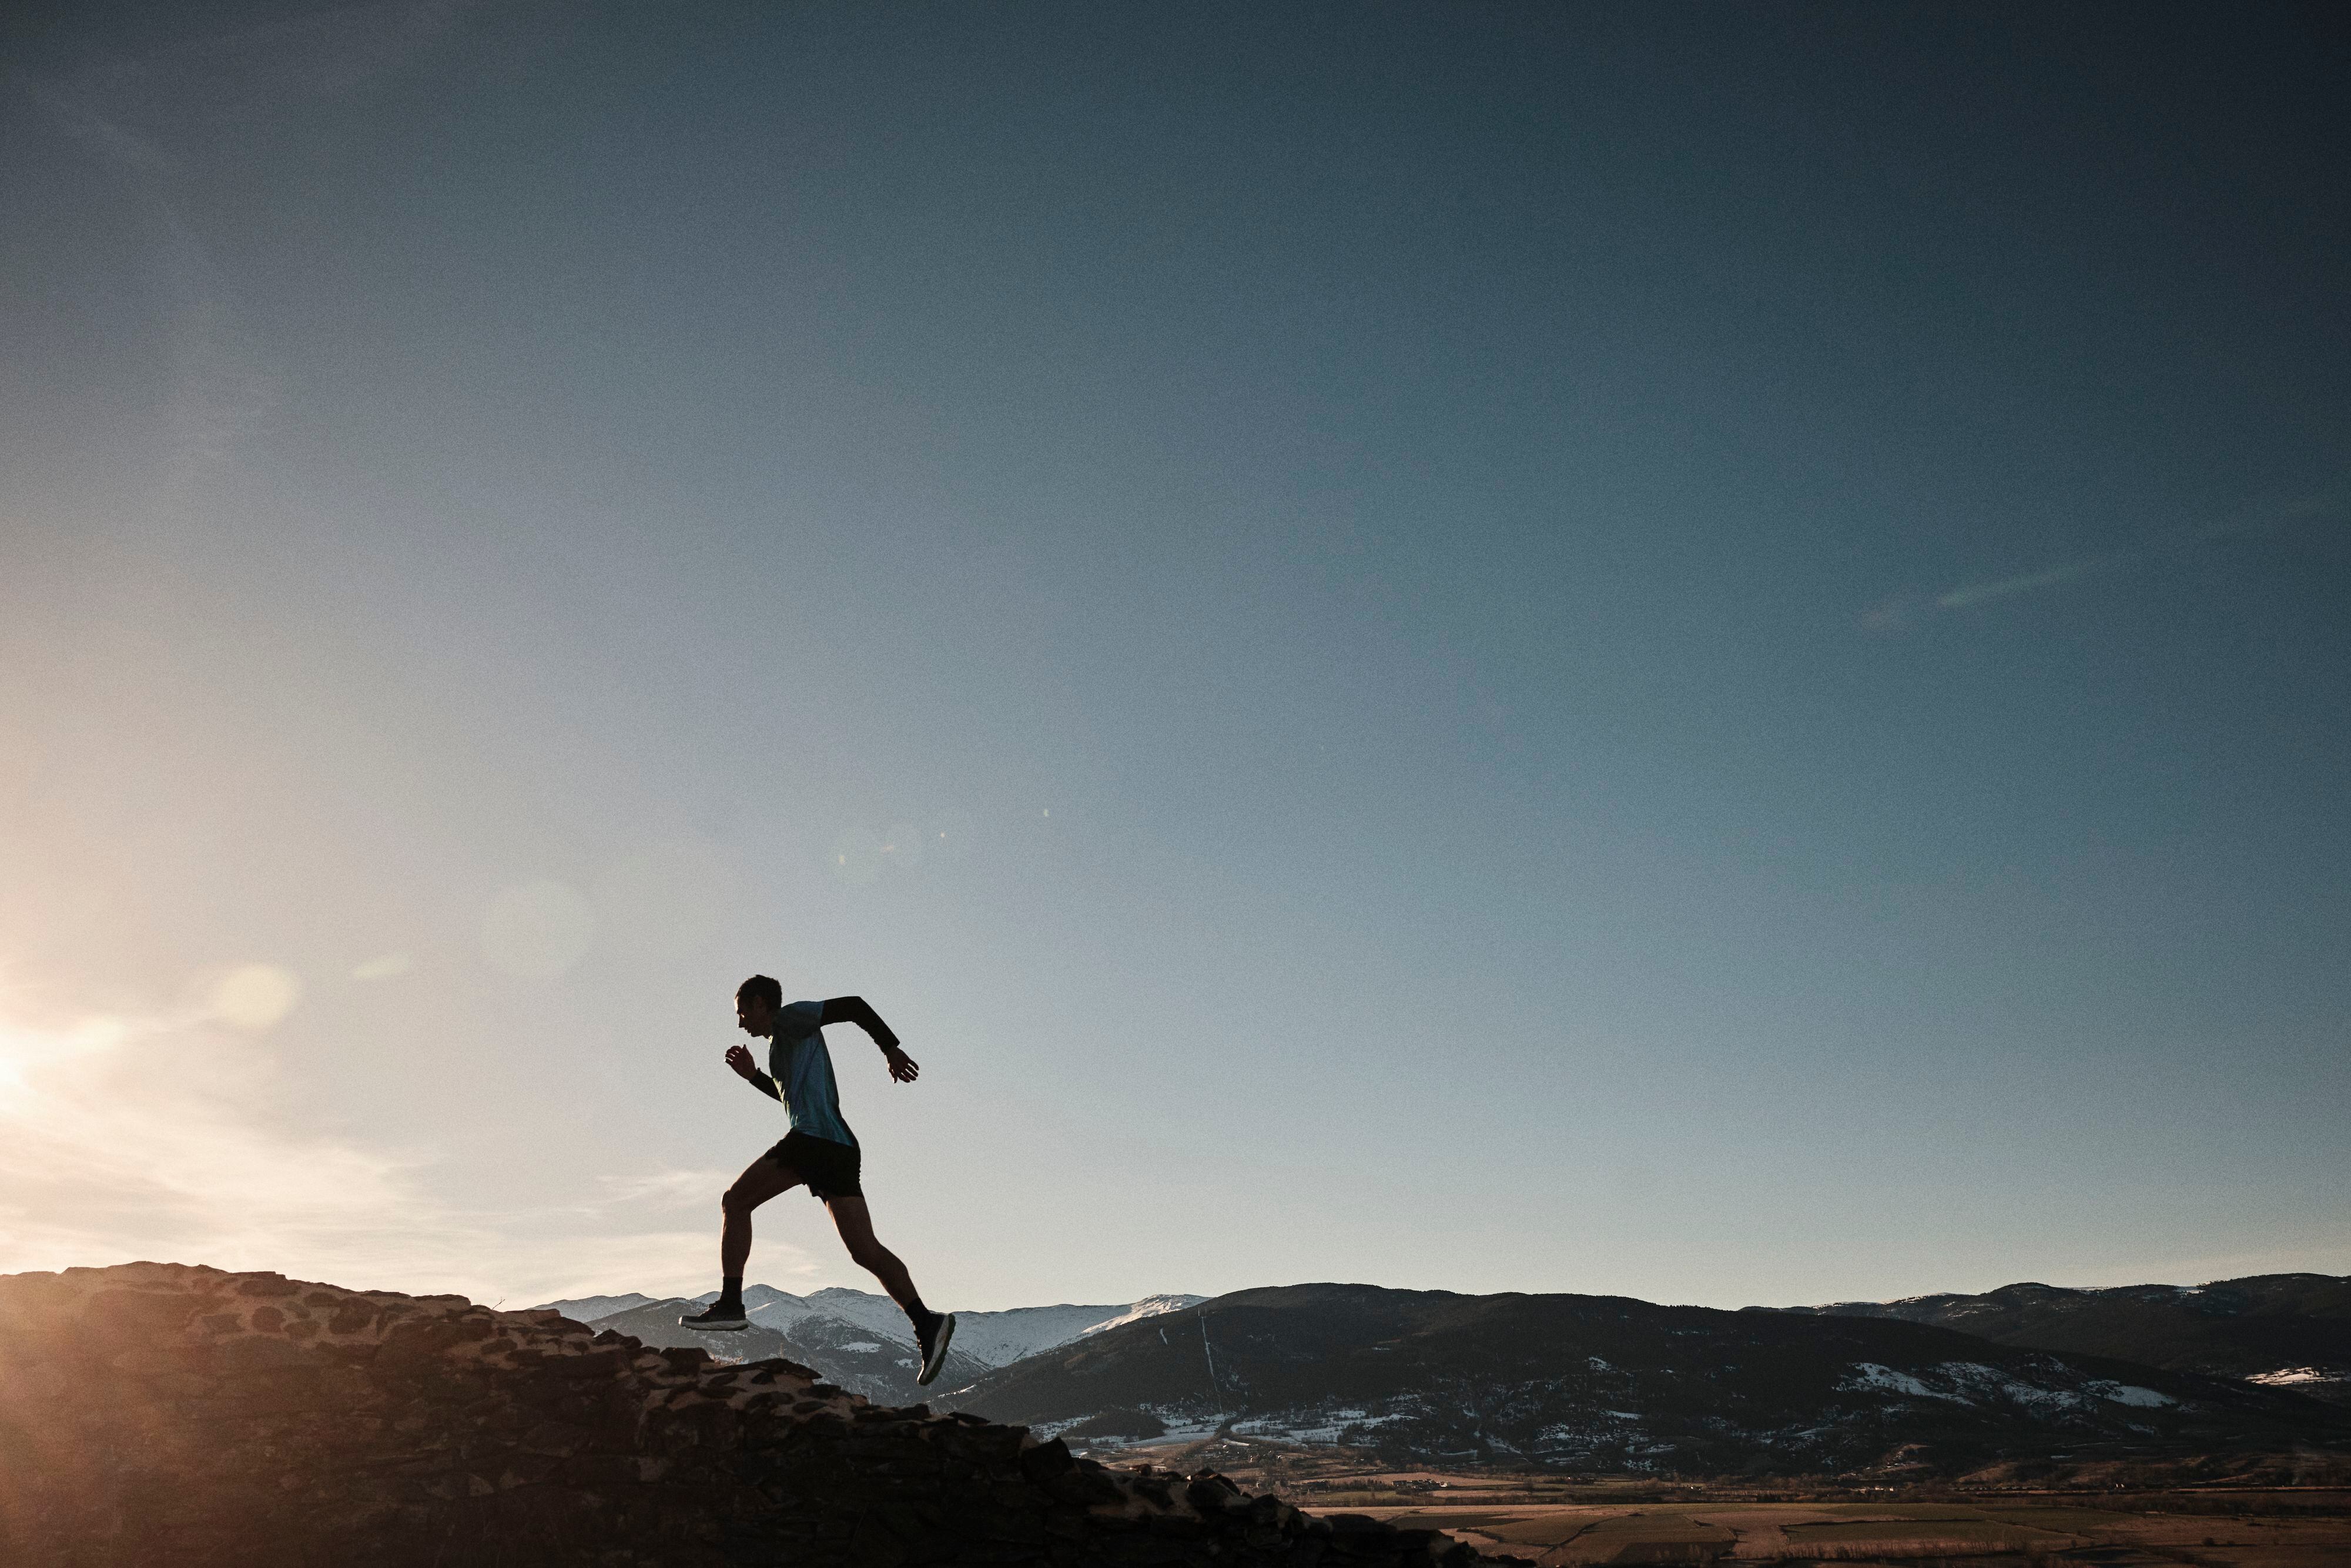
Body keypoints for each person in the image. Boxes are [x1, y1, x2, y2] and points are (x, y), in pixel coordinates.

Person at [679, 975, 957, 1386]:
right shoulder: (780, 1047)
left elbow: (855, 1006)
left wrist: (890, 1048)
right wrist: (754, 1076)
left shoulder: (792, 1018)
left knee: (735, 1202)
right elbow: (789, 1098)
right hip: (838, 1149)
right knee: (865, 1251)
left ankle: (731, 1304)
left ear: (760, 1004)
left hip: (813, 1142)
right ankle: (927, 1324)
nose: (740, 1024)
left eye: (742, 1013)